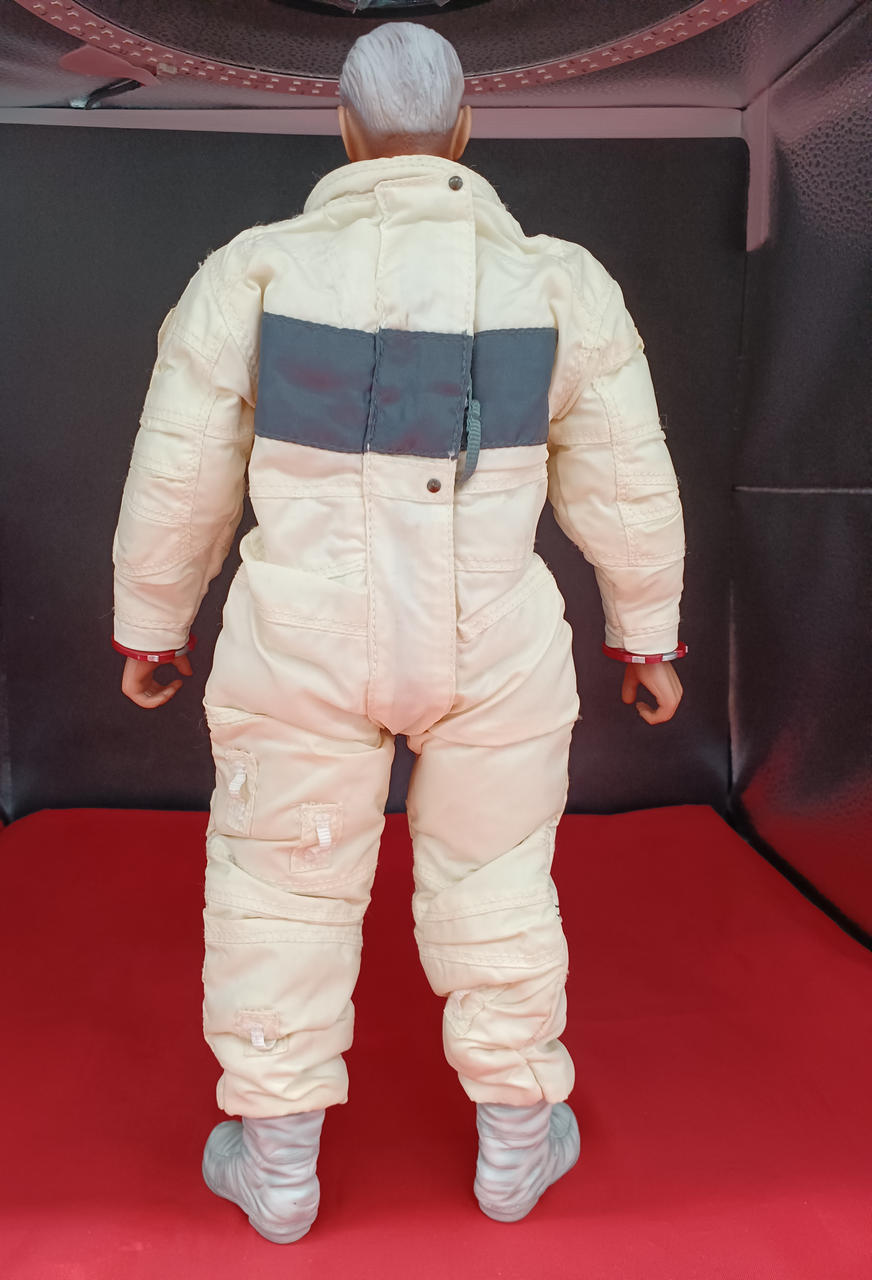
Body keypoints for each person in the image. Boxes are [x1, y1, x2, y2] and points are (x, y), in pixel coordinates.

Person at [111, 21, 685, 1245]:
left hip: (300, 645)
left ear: (345, 129)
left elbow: (179, 472)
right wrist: (647, 637)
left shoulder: (253, 271)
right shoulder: (561, 283)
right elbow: (629, 482)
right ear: (465, 130)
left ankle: (278, 1167)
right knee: (498, 878)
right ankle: (517, 1142)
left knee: (279, 884)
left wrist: (153, 626)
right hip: (495, 646)